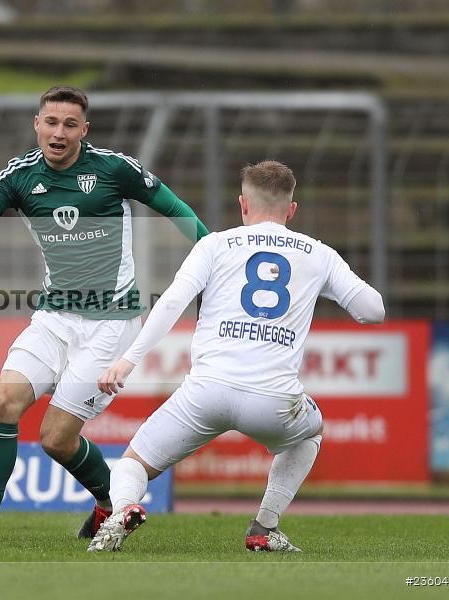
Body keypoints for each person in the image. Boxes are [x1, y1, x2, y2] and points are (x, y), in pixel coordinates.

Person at [0, 85, 208, 540]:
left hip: (111, 322)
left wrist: (218, 258)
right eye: (51, 122)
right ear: (37, 124)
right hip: (54, 316)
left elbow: (174, 207)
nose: (59, 132)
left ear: (83, 131)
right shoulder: (20, 175)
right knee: (4, 401)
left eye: (70, 124)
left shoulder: (114, 169)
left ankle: (113, 503)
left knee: (55, 439)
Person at [88, 160, 386, 553]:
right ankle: (264, 526)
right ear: (291, 210)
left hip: (206, 393)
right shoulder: (318, 254)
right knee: (311, 431)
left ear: (243, 204)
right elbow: (373, 310)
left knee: (134, 462)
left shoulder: (214, 244)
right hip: (274, 401)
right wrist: (316, 284)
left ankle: (123, 509)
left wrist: (129, 359)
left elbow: (173, 302)